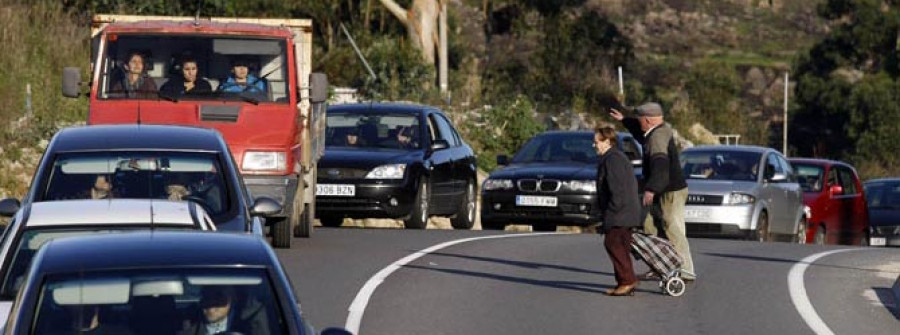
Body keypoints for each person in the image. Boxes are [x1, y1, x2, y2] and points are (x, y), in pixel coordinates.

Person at [610, 102, 696, 281]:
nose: (638, 122)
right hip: (661, 189)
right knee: (649, 226)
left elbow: (660, 166)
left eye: (640, 119)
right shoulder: (655, 132)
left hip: (670, 190)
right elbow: (642, 134)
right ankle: (660, 266)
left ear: (647, 120)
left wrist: (651, 189)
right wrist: (625, 120)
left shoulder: (658, 138)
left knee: (673, 229)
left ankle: (686, 270)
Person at [594, 125, 642, 296]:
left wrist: (611, 213)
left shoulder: (612, 159)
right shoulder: (614, 157)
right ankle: (625, 281)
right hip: (625, 211)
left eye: (597, 142)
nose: (594, 146)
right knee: (620, 245)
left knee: (613, 243)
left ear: (607, 141)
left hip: (620, 212)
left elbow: (618, 189)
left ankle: (627, 280)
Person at [178, 286, 270, 335]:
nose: (211, 304)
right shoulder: (186, 325)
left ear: (232, 298)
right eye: (206, 297)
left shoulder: (253, 321)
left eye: (218, 297)